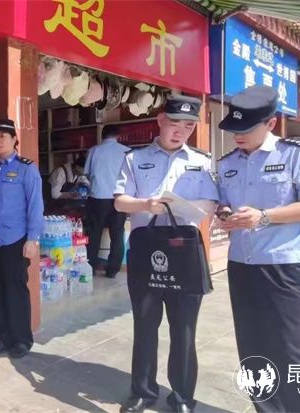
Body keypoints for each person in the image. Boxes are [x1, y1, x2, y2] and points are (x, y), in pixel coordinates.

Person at [216, 85, 300, 413]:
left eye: (246, 128)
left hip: (281, 266)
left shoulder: (295, 154)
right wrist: (225, 215)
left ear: (271, 123)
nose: (238, 135)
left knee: (288, 346)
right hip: (241, 264)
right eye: (234, 129)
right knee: (251, 346)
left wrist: (264, 216)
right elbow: (224, 202)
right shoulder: (227, 164)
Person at [114, 95, 218, 413]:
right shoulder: (135, 158)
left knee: (184, 329)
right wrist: (146, 204)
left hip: (184, 252)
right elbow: (119, 201)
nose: (180, 131)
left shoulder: (202, 161)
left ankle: (182, 396)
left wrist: (181, 207)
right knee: (145, 325)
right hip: (146, 249)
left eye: (188, 126)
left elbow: (210, 204)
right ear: (160, 120)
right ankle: (143, 392)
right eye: (174, 123)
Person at [0, 119, 44, 359]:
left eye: (2, 136)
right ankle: (3, 337)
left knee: (15, 288)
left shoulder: (26, 169)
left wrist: (33, 239)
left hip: (15, 239)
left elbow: (35, 206)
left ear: (14, 139)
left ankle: (22, 339)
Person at [84, 124, 129, 278]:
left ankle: (90, 267)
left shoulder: (93, 150)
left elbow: (87, 173)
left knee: (94, 233)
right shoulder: (126, 151)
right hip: (119, 198)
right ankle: (112, 270)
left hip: (98, 198)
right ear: (118, 136)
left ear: (102, 135)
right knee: (117, 234)